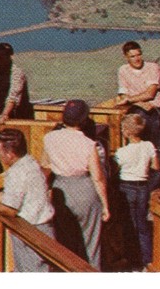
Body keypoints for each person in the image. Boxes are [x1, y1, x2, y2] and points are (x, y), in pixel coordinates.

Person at [0, 128, 55, 272]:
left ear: (10, 154)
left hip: (30, 230)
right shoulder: (30, 162)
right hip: (42, 227)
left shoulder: (16, 173)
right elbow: (13, 196)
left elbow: (10, 209)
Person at [41, 99, 110, 270]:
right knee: (91, 242)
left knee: (65, 242)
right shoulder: (89, 144)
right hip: (84, 188)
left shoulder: (49, 138)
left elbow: (45, 165)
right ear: (84, 120)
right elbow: (98, 177)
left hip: (60, 188)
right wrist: (105, 205)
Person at [114, 41, 160, 183]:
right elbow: (123, 94)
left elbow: (150, 94)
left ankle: (154, 184)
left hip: (156, 111)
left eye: (139, 55)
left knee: (156, 150)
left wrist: (130, 99)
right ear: (126, 57)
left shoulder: (152, 67)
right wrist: (139, 102)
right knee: (138, 150)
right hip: (139, 112)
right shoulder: (123, 70)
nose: (137, 59)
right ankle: (140, 183)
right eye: (132, 56)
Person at [114, 113, 160, 270]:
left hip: (126, 187)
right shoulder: (149, 146)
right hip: (143, 187)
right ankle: (147, 259)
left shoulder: (122, 152)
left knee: (129, 225)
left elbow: (114, 170)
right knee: (142, 223)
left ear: (126, 132)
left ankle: (133, 260)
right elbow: (156, 167)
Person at [0, 43, 32, 123]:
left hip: (20, 115)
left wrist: (4, 114)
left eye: (0, 58)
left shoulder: (17, 73)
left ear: (9, 57)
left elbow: (13, 97)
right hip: (3, 112)